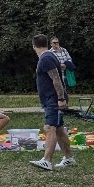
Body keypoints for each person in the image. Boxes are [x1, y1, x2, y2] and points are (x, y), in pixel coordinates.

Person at [30, 34, 75, 171]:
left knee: (50, 127)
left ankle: (47, 160)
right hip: (52, 98)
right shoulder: (49, 56)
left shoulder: (46, 58)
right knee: (59, 129)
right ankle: (69, 158)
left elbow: (56, 79)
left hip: (53, 99)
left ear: (34, 46)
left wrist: (60, 99)